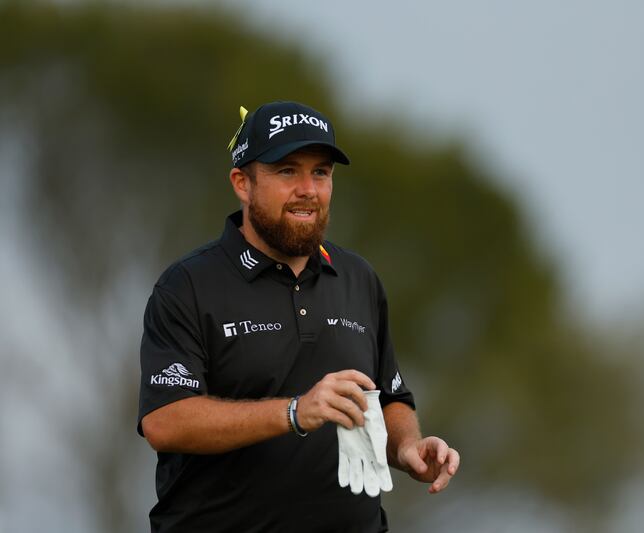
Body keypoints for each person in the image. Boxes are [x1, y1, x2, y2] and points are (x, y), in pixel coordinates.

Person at [137, 101, 460, 532]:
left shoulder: (358, 278)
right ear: (242, 182)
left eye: (321, 172)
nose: (308, 188)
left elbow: (388, 396)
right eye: (287, 171)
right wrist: (294, 412)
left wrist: (407, 447)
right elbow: (165, 420)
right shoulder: (188, 286)